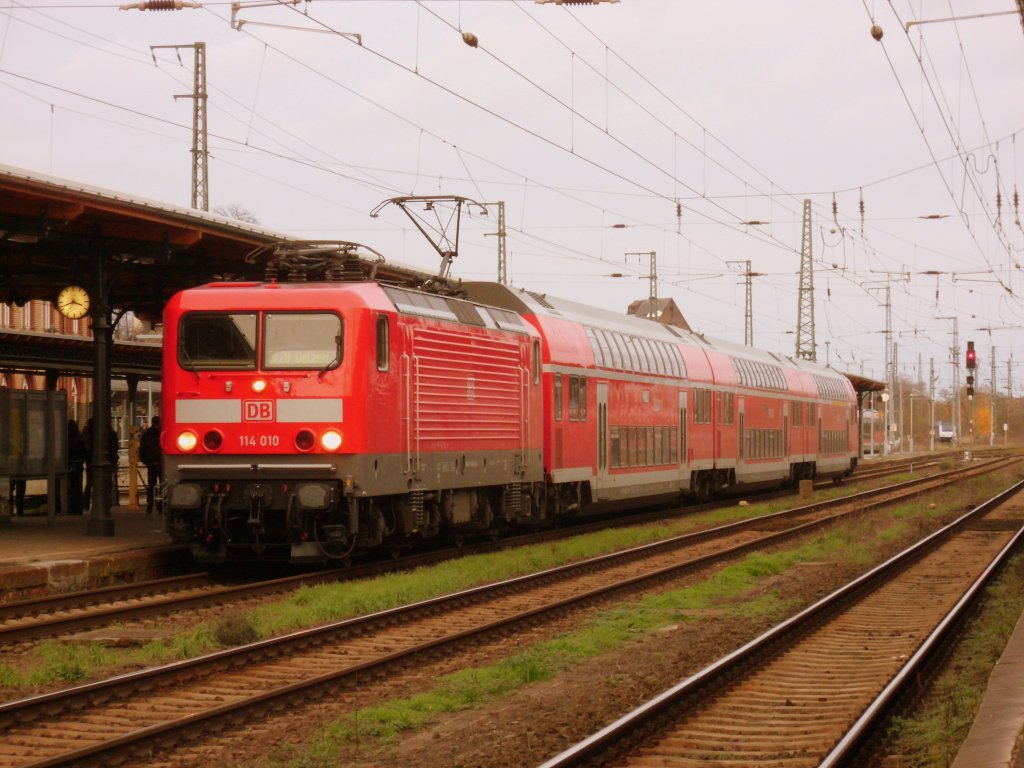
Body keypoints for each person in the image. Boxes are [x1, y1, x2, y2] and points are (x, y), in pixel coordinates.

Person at [139, 416, 162, 514]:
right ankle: (161, 506)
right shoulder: (163, 433)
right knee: (162, 485)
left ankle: (150, 505)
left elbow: (142, 450)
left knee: (151, 485)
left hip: (151, 464)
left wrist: (147, 462)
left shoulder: (146, 434)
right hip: (162, 464)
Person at [66, 419, 86, 515]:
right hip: (79, 466)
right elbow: (84, 452)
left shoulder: (66, 439)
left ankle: (70, 508)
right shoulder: (80, 438)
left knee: (70, 489)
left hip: (69, 466)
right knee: (78, 488)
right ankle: (78, 508)